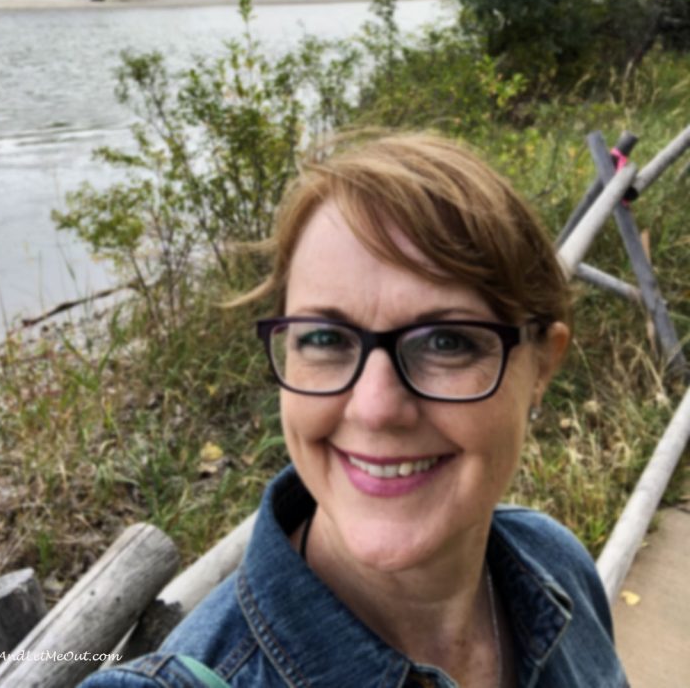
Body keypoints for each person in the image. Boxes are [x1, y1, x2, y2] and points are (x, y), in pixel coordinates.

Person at [81, 133, 628, 687]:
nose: (375, 409)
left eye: (445, 342)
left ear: (541, 366)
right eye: (324, 338)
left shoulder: (555, 567)